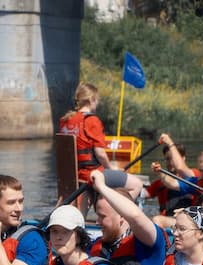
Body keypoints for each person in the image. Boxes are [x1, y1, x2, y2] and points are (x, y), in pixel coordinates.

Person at [58, 83, 142, 216]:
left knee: (85, 200)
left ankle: (84, 220)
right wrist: (111, 168)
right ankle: (117, 215)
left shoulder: (65, 120)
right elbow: (100, 153)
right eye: (97, 101)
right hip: (91, 174)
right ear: (91, 100)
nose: (97, 104)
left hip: (72, 176)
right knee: (136, 184)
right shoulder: (92, 121)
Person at [89, 169, 167, 265]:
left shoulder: (148, 242)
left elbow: (135, 215)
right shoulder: (97, 247)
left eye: (102, 216)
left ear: (122, 216)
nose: (97, 222)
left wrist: (102, 186)